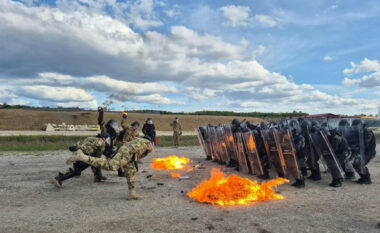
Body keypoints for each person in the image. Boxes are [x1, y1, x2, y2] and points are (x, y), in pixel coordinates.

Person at [66, 137, 154, 200]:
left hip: (129, 152)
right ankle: (83, 157)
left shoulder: (138, 139)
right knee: (111, 165)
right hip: (129, 152)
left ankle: (132, 193)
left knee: (131, 171)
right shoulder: (148, 143)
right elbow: (149, 150)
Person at [348, 119, 376, 184]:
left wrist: (354, 147)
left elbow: (365, 143)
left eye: (355, 126)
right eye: (353, 126)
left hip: (369, 152)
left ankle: (367, 179)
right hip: (362, 151)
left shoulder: (367, 131)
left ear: (359, 125)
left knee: (360, 164)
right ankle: (363, 177)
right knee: (355, 164)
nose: (354, 128)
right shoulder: (358, 131)